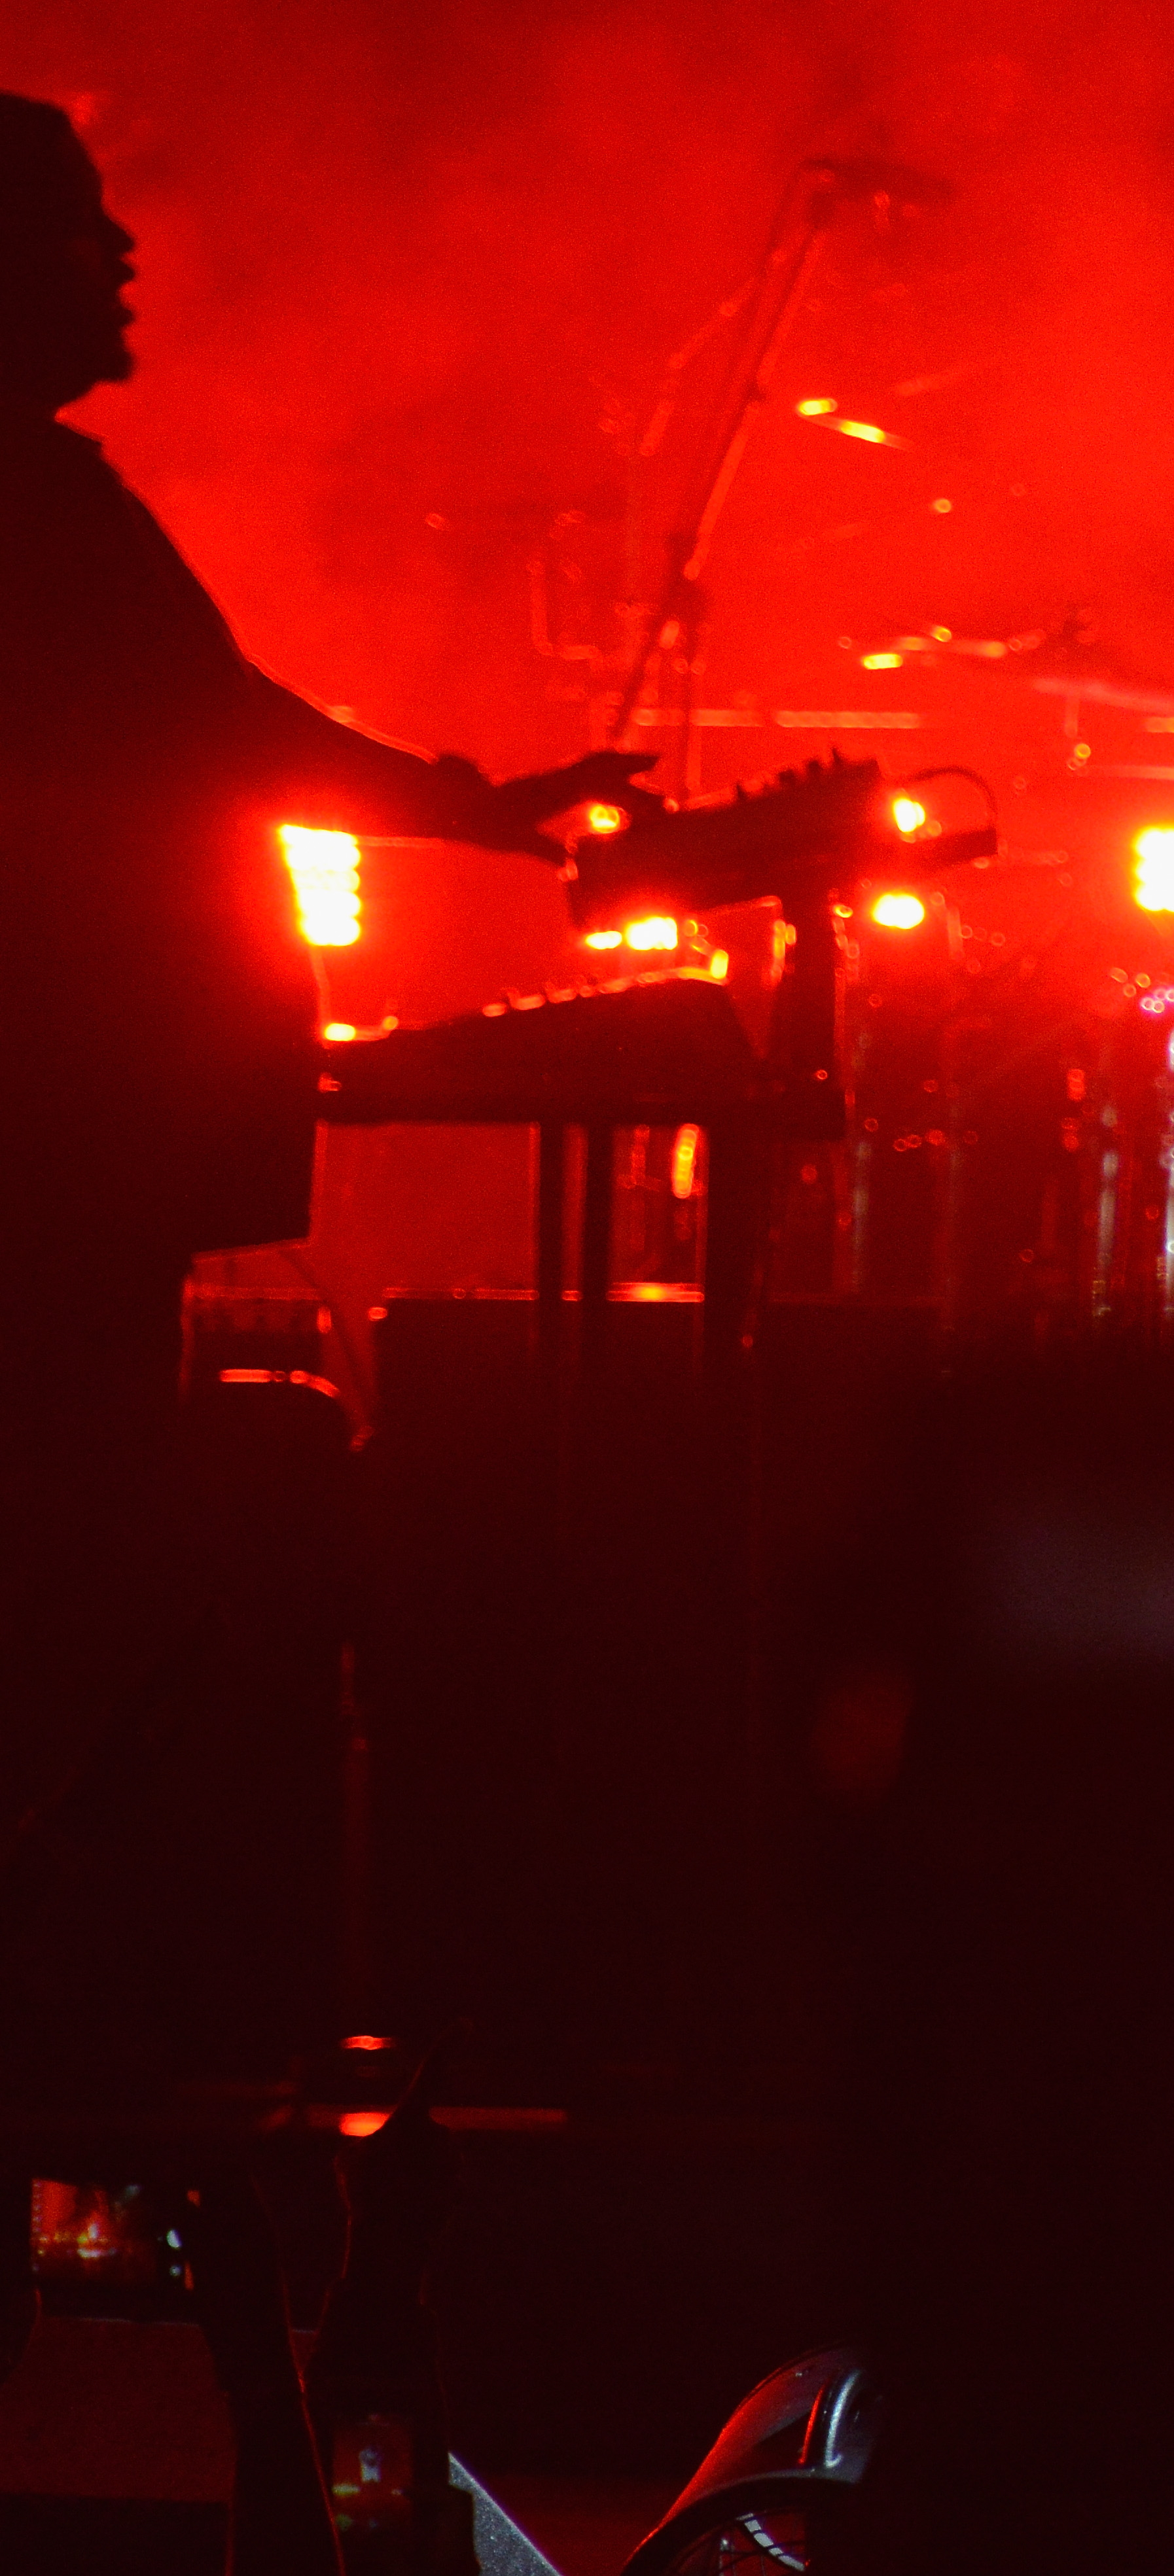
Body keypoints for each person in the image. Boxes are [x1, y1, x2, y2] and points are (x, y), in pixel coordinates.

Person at [0, 96, 640, 2074]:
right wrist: (487, 820)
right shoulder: (40, 512)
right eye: (80, 223)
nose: (123, 256)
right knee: (72, 1555)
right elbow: (218, 732)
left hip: (78, 1140)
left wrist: (466, 811)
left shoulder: (55, 502)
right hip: (67, 1144)